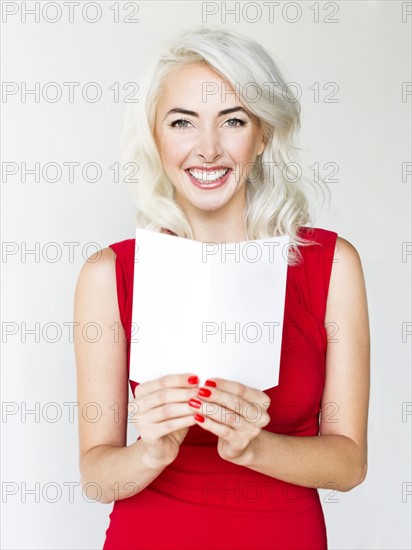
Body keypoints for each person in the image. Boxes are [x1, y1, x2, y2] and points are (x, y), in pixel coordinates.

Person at [73, 26, 370, 550]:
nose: (207, 149)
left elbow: (348, 464)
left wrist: (255, 447)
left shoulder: (331, 265)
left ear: (262, 136)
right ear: (156, 137)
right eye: (182, 122)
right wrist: (154, 450)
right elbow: (98, 476)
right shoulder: (108, 275)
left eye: (232, 120)